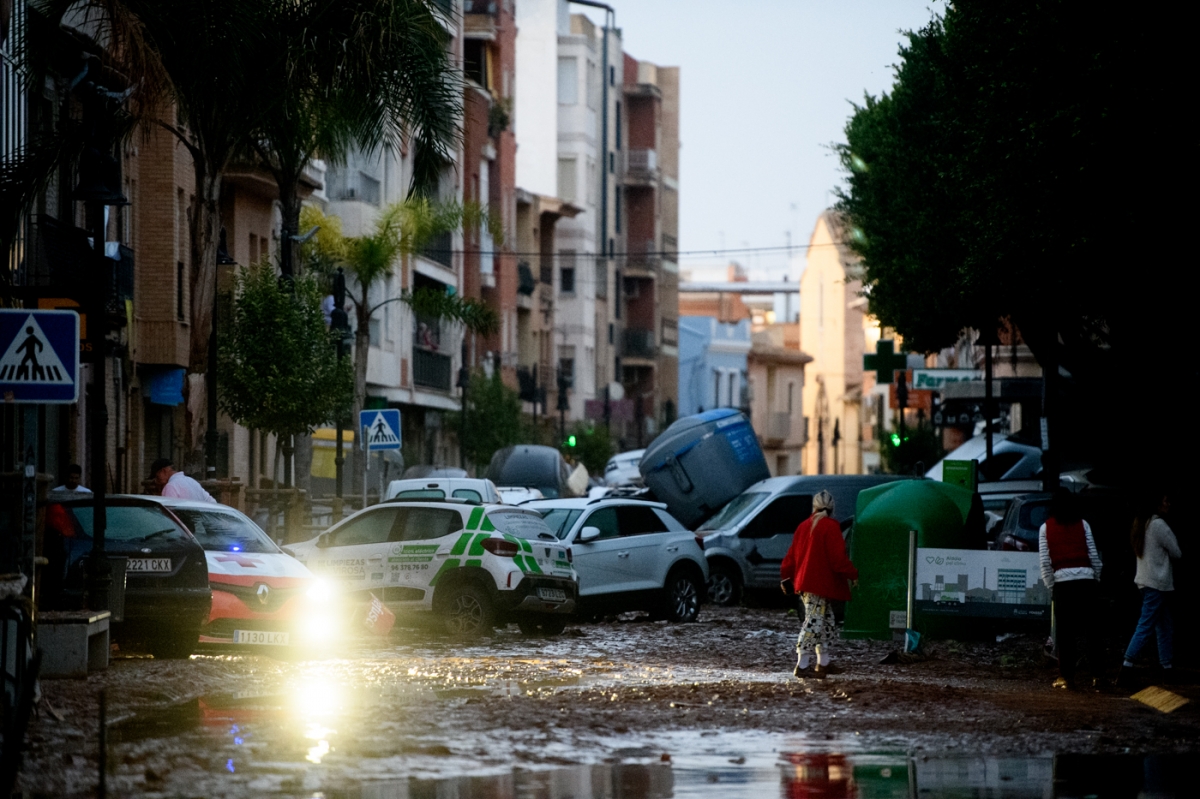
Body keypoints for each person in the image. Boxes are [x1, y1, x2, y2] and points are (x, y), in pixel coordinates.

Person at [781, 490, 858, 679]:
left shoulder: (803, 526)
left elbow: (791, 556)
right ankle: (803, 665)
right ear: (832, 508)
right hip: (820, 584)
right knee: (815, 623)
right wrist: (853, 574)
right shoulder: (831, 527)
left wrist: (786, 577)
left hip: (805, 583)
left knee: (824, 622)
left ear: (814, 507)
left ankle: (823, 663)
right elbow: (838, 559)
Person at [1038, 489, 1104, 690]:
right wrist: (1096, 579)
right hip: (1086, 582)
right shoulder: (1083, 524)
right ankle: (1097, 677)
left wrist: (1053, 587)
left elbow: (1045, 564)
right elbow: (1094, 557)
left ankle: (1067, 678)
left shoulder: (1045, 528)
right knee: (1093, 633)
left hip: (1062, 585)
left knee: (1066, 635)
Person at [1119, 493, 1180, 687]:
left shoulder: (1141, 524)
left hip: (1145, 581)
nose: (1167, 504)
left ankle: (1167, 668)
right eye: (1165, 500)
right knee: (1150, 626)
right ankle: (1127, 666)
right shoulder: (1158, 525)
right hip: (1158, 582)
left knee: (1162, 625)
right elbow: (1177, 552)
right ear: (1156, 504)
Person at [150, 458, 216, 503]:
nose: (156, 481)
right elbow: (212, 502)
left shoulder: (170, 486)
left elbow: (170, 513)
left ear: (163, 471)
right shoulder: (192, 481)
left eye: (157, 476)